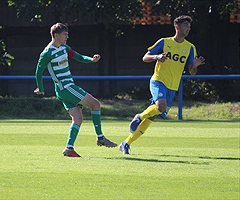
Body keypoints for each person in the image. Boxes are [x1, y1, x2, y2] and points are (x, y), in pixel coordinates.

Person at [119, 15, 205, 154]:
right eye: (185, 26)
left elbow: (192, 72)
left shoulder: (190, 48)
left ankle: (126, 143)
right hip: (158, 80)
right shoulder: (164, 42)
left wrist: (195, 66)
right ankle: (139, 117)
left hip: (173, 86)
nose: (188, 28)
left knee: (153, 115)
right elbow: (145, 57)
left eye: (189, 26)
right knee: (161, 106)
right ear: (177, 27)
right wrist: (157, 57)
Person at [34, 22, 117, 157]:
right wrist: (41, 88)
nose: (67, 36)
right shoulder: (47, 53)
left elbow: (79, 57)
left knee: (77, 118)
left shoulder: (64, 48)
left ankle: (69, 148)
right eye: (65, 34)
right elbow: (38, 71)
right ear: (56, 35)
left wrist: (91, 59)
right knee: (95, 104)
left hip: (65, 88)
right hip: (66, 87)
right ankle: (100, 137)